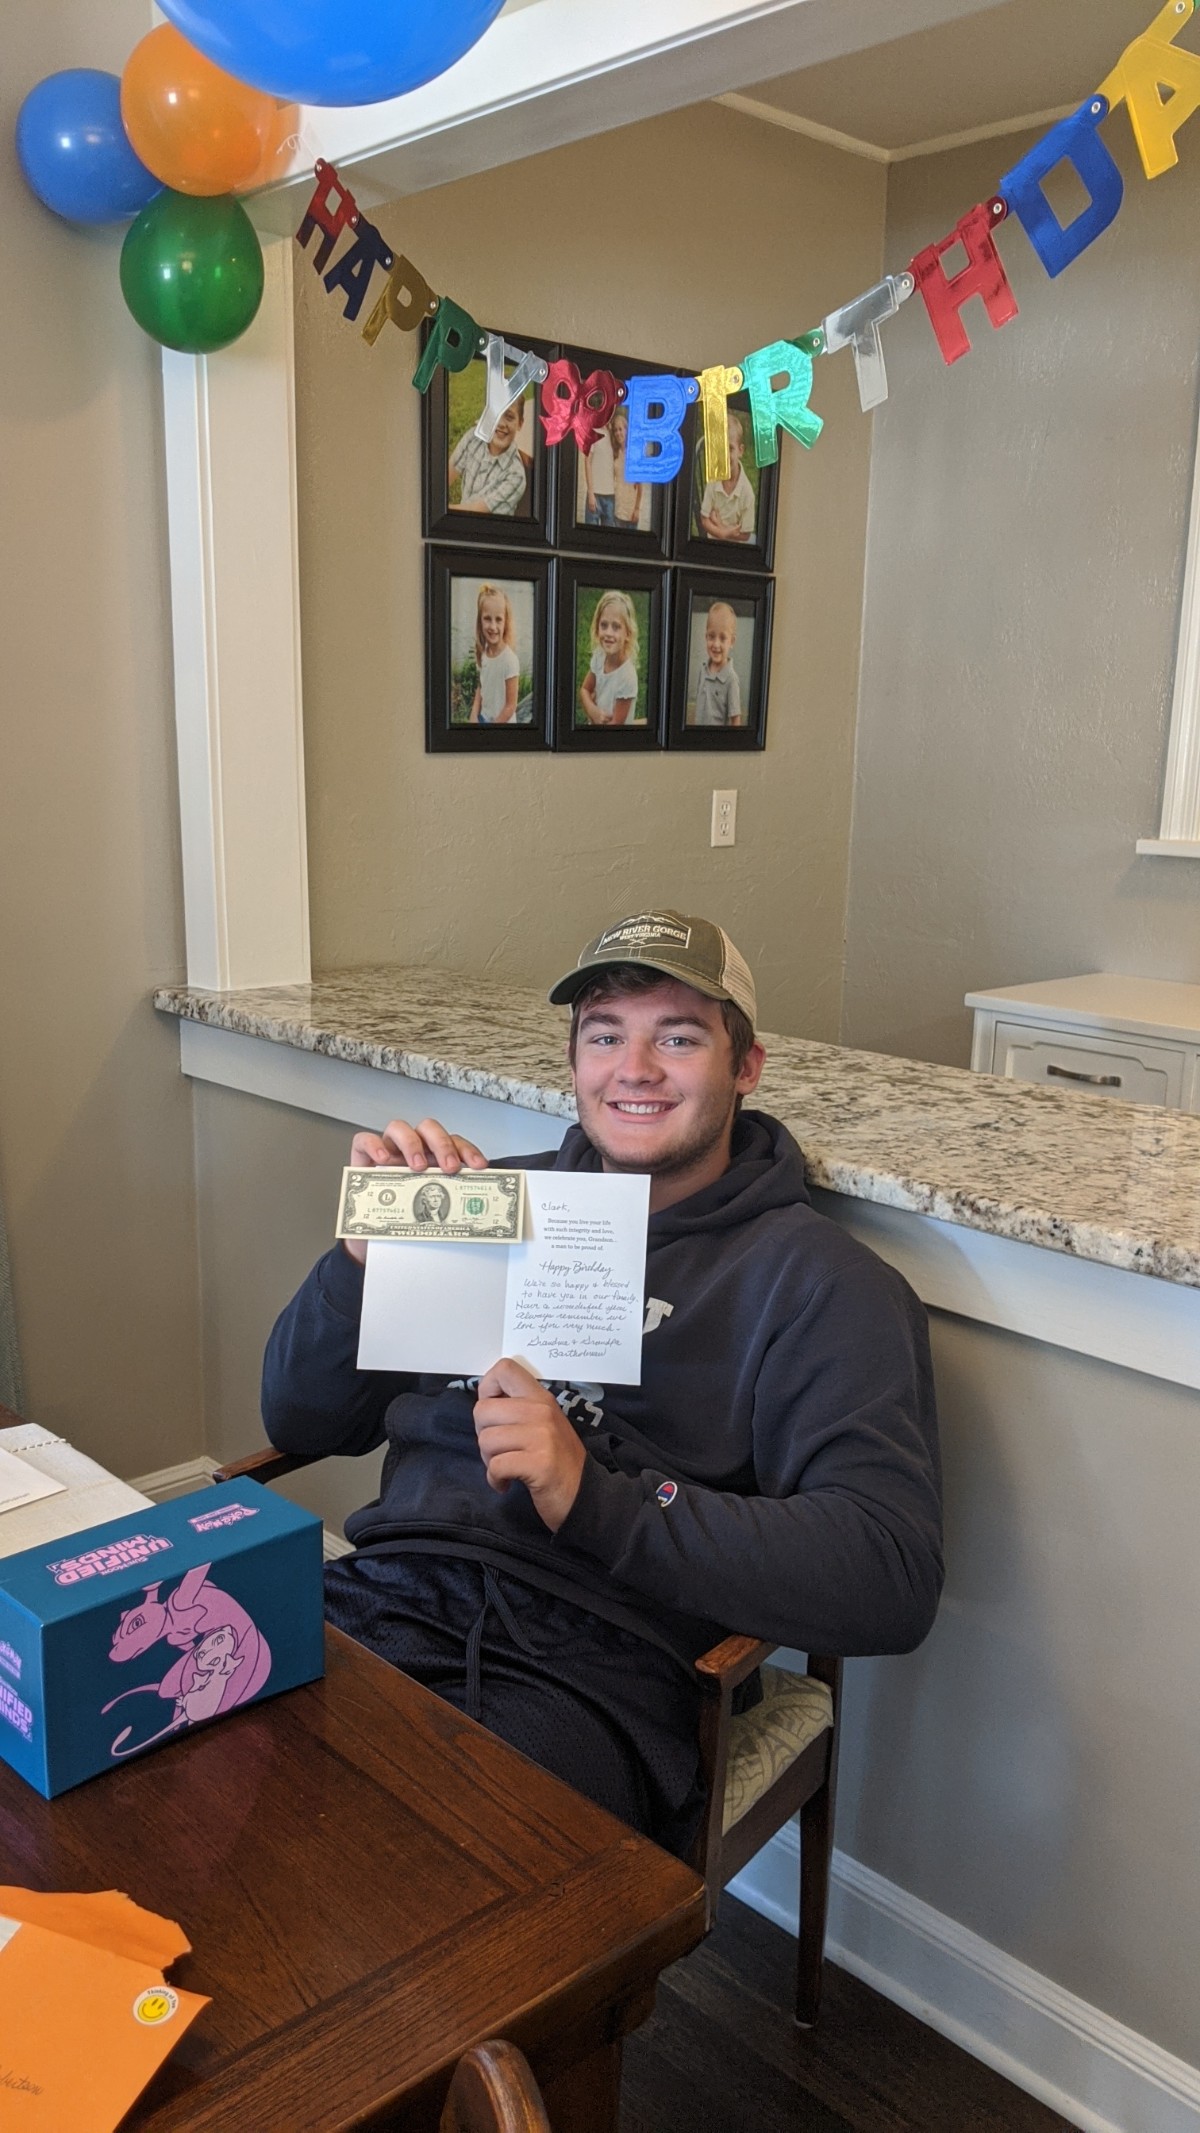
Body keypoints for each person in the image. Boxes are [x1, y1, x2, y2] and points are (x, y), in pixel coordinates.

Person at [262, 909, 943, 1858]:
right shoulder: (493, 1200)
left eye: (678, 1036)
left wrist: (595, 1496)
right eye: (605, 1034)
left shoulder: (823, 1283)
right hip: (384, 1596)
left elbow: (889, 1574)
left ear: (747, 1065)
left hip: (591, 1669)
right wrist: (357, 1266)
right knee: (175, 1798)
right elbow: (300, 1416)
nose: (635, 1069)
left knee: (418, 1907)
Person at [449, 400, 529, 518]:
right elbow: (445, 476)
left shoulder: (516, 475)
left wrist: (441, 510)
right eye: (496, 413)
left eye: (509, 417)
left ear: (520, 424)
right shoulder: (473, 438)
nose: (501, 423)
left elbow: (474, 510)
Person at [579, 591, 640, 727]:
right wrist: (593, 711)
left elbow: (615, 727)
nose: (608, 633)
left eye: (616, 627)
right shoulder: (599, 656)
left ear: (628, 634)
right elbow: (584, 690)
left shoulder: (627, 676)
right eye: (604, 625)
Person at [698, 411, 756, 544]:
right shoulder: (713, 480)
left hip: (737, 546)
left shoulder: (747, 492)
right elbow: (704, 518)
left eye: (730, 448)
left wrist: (723, 529)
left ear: (740, 451)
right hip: (713, 541)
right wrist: (721, 533)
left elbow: (746, 534)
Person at [468, 585, 521, 726]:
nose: (493, 626)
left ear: (506, 622)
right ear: (480, 621)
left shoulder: (509, 660)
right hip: (484, 720)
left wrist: (491, 731)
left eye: (498, 619)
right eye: (487, 619)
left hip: (502, 728)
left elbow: (510, 706)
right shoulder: (484, 652)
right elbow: (482, 686)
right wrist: (473, 714)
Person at [691, 601, 743, 728]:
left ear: (732, 641)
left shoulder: (731, 679)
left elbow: (735, 719)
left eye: (723, 638)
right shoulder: (702, 670)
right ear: (706, 637)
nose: (716, 644)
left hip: (716, 745)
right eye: (711, 637)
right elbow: (699, 707)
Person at [611, 408, 643, 531]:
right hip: (618, 510)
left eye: (621, 429)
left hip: (631, 512)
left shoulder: (634, 455)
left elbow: (640, 486)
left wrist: (637, 509)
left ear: (626, 430)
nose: (618, 433)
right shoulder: (615, 453)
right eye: (615, 430)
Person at [582, 419, 616, 527]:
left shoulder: (613, 434)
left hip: (610, 495)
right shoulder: (593, 431)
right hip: (595, 495)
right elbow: (587, 461)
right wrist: (591, 493)